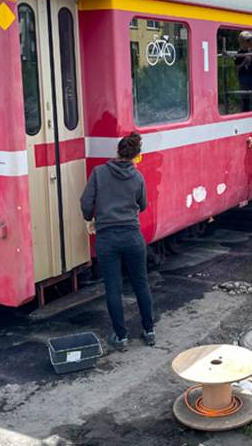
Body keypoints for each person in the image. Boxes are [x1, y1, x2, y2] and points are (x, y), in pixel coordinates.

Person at [80, 132, 155, 351]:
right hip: (132, 236)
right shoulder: (137, 177)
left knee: (113, 288)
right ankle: (149, 331)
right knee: (140, 283)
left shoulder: (99, 173)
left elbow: (85, 201)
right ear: (135, 155)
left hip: (107, 238)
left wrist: (90, 219)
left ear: (117, 151)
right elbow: (143, 204)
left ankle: (121, 337)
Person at [233, 31, 252, 112]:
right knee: (245, 102)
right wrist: (244, 61)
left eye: (251, 40)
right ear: (243, 42)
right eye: (249, 40)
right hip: (244, 80)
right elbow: (237, 68)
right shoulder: (239, 54)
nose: (251, 42)